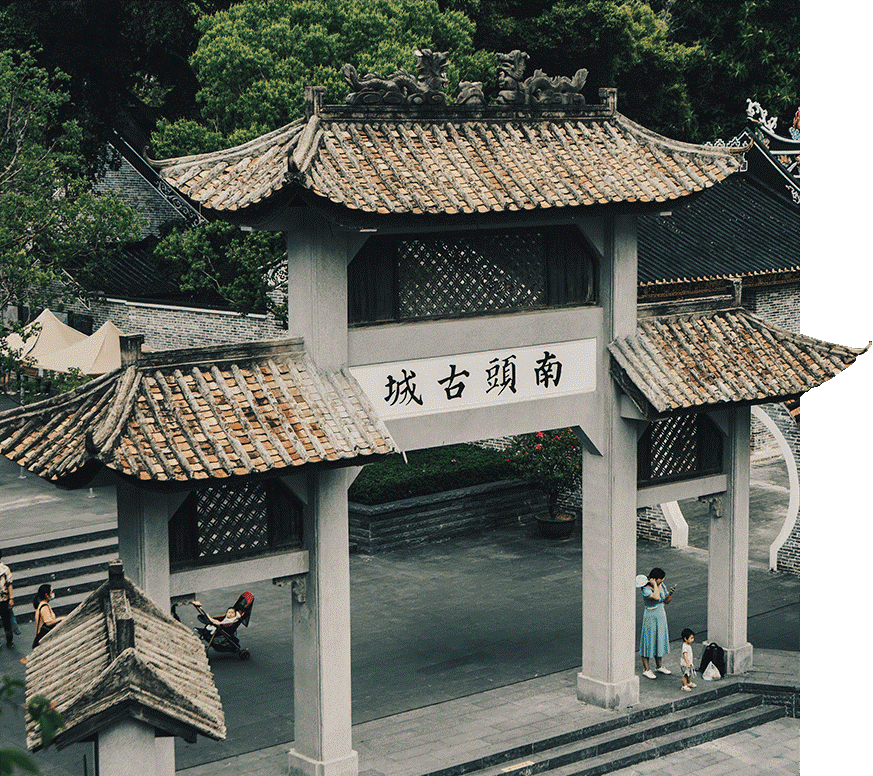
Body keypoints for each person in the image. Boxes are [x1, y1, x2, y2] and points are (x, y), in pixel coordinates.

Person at [639, 567, 676, 679]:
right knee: (648, 641)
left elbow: (666, 601)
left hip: (660, 616)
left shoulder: (662, 585)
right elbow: (656, 597)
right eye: (660, 579)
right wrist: (655, 585)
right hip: (650, 617)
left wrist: (670, 594)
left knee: (659, 640)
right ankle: (646, 669)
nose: (662, 581)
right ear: (654, 579)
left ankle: (659, 666)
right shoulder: (645, 589)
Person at [32, 584, 64, 649]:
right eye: (52, 592)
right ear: (46, 595)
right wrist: (60, 619)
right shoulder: (44, 607)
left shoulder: (43, 605)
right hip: (44, 638)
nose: (53, 593)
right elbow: (48, 622)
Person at [0, 550, 14, 648]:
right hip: (4, 599)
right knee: (6, 621)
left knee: (6, 621)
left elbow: (9, 584)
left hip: (4, 599)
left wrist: (11, 598)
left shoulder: (5, 569)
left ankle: (9, 640)